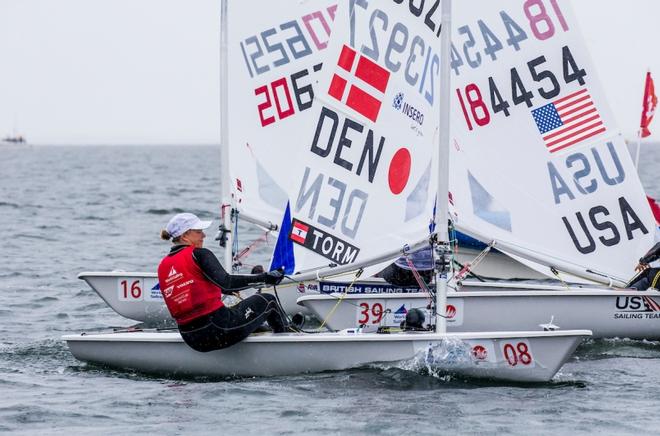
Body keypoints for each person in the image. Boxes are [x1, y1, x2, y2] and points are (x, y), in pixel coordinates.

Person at [157, 212, 290, 352]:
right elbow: (226, 282)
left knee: (238, 311)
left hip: (192, 339)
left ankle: (263, 329)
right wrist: (265, 278)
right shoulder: (199, 254)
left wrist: (223, 289)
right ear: (185, 236)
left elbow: (193, 286)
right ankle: (287, 342)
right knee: (268, 300)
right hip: (219, 328)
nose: (204, 236)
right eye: (198, 232)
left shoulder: (163, 265)